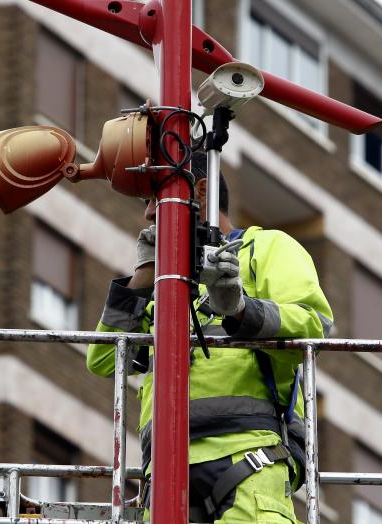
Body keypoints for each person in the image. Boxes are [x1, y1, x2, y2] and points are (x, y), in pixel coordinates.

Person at [87, 151, 333, 523]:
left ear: (201, 192)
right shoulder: (163, 288)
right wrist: (141, 279)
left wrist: (238, 309)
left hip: (248, 454)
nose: (149, 214)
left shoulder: (264, 248)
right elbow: (104, 361)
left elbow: (312, 327)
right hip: (166, 470)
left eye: (157, 198)